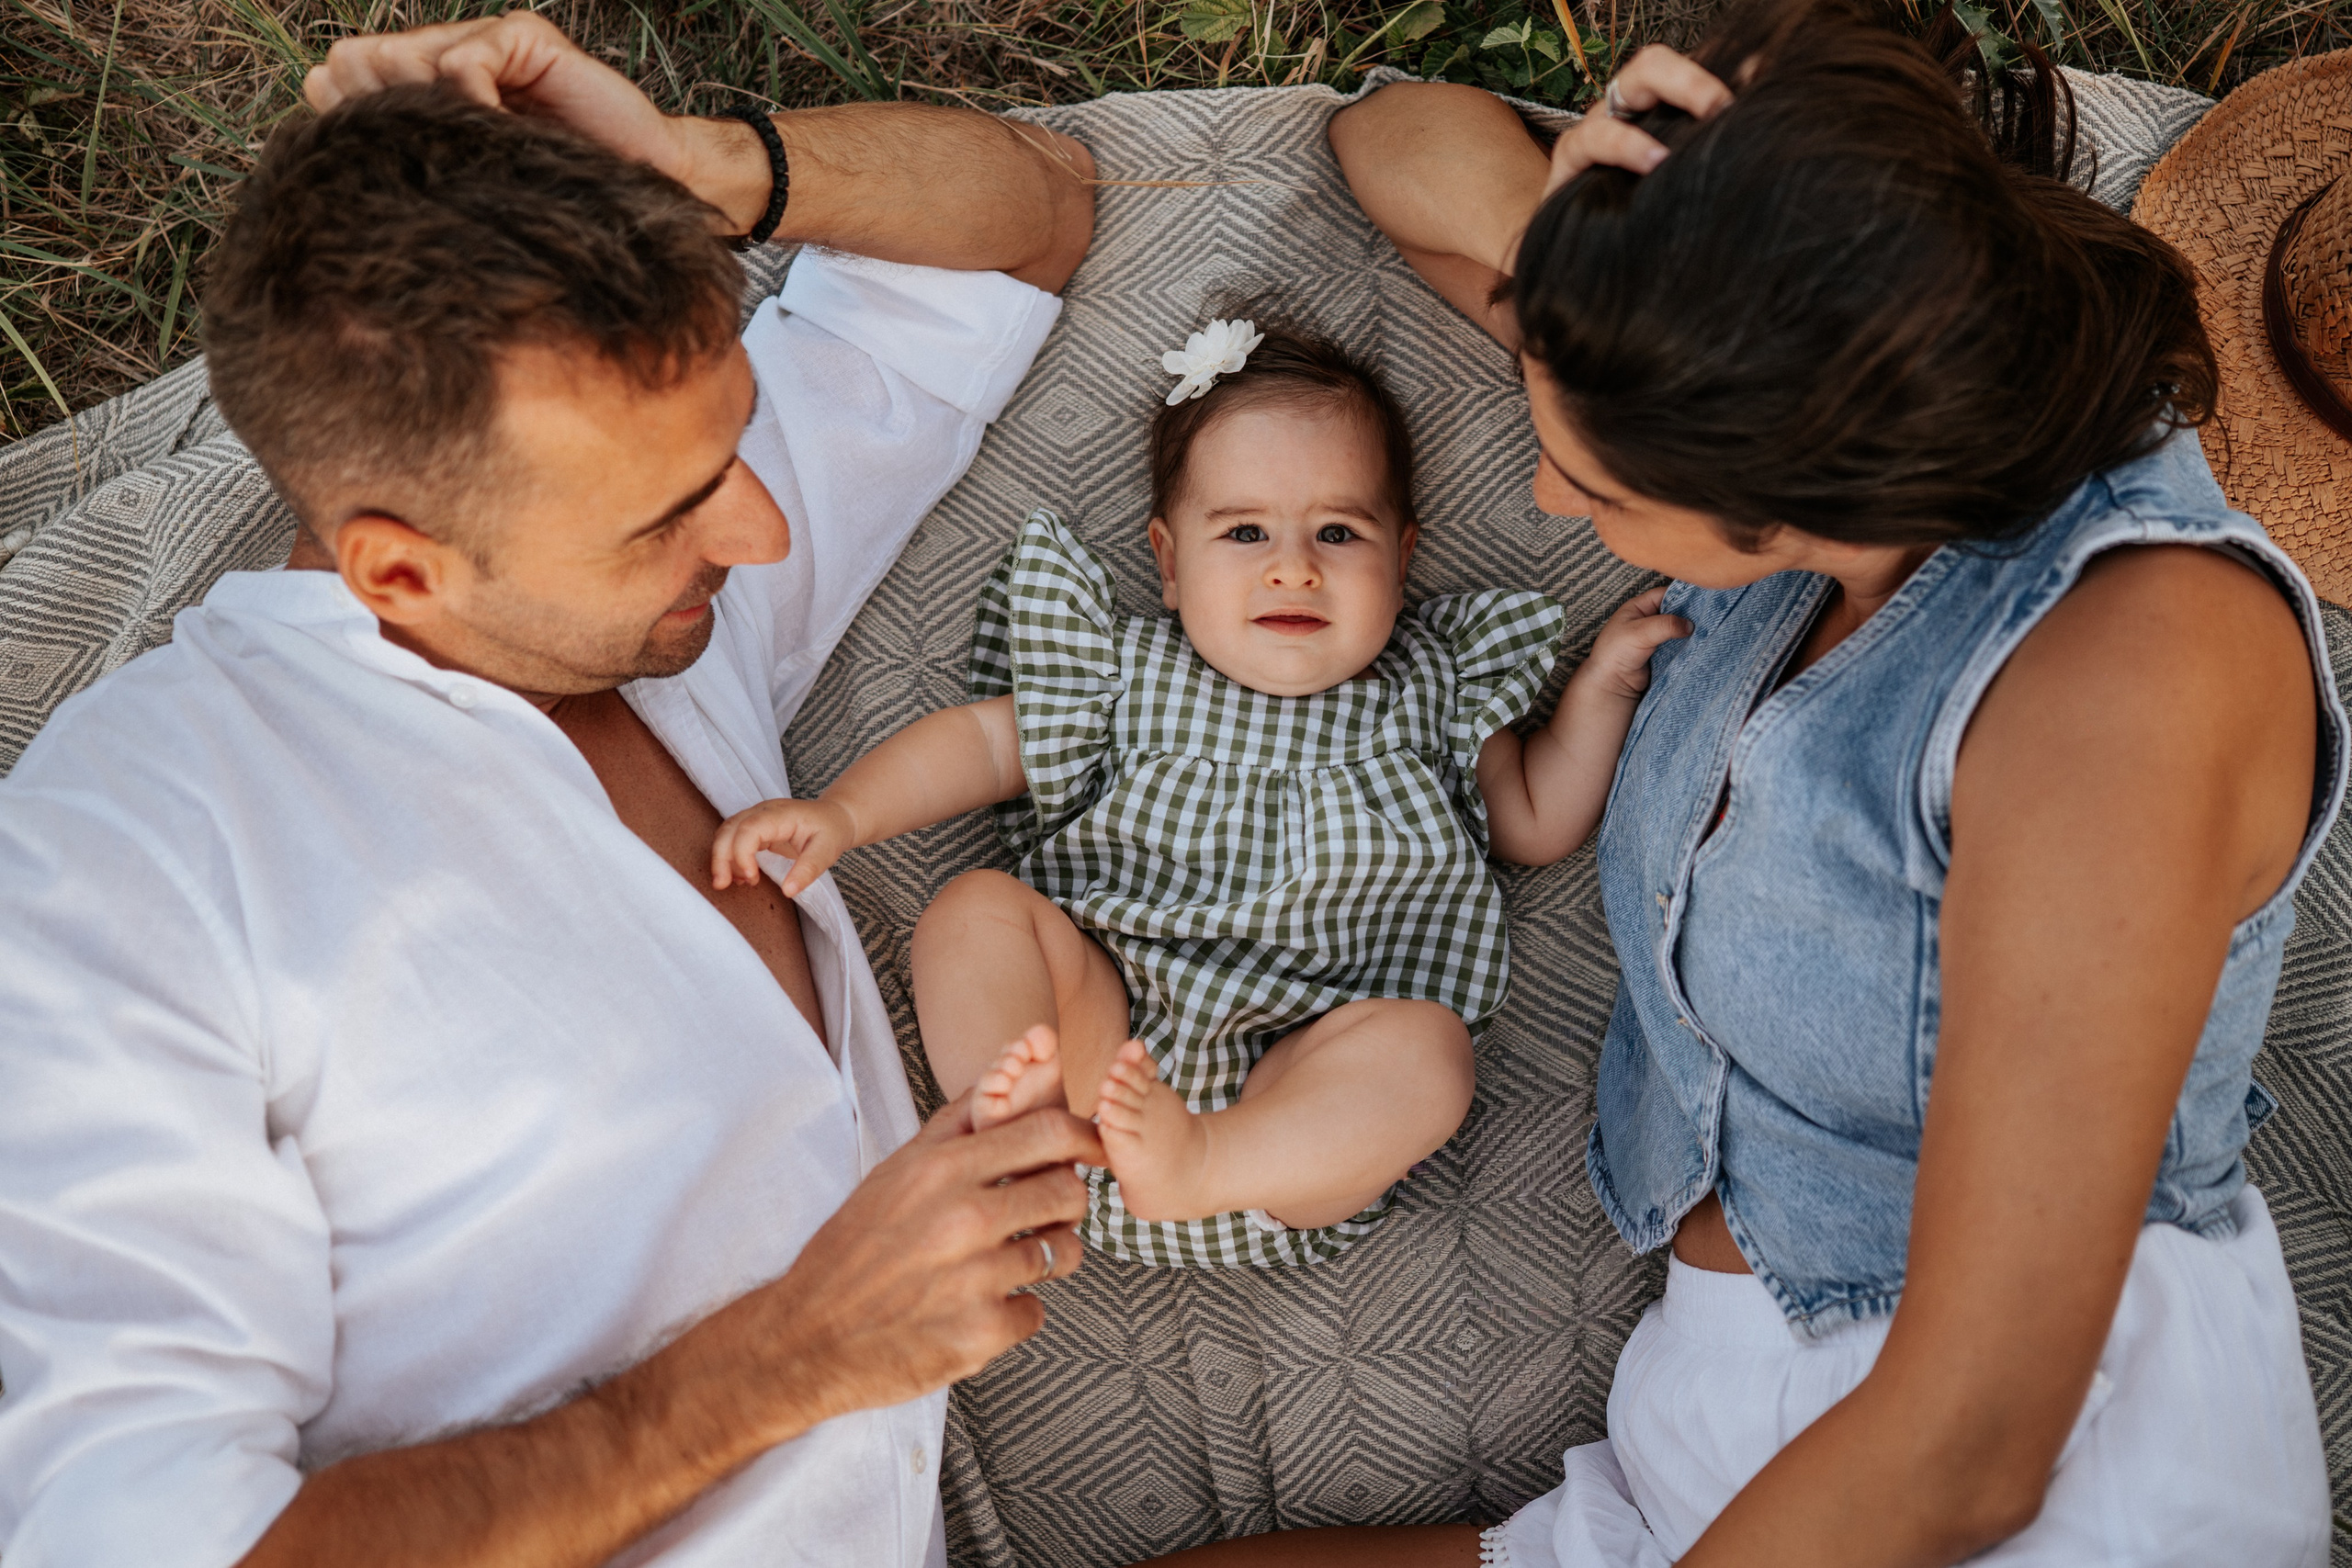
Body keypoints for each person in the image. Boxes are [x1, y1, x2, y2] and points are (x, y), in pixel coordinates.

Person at [1149, 0, 2347, 1562]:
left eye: (1596, 485)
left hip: (2022, 1483)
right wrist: (1598, 238)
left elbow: (1975, 1439)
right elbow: (1391, 139)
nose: (1544, 494)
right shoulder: (1791, 365)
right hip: (1715, 1421)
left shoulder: (2130, 664)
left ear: (1787, 488)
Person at [0, 14, 1103, 1567]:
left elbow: (1036, 211)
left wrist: (700, 167)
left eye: (736, 443)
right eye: (674, 512)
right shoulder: (131, 859)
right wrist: (794, 1353)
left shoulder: (644, 606)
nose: (764, 532)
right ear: (402, 568)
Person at [707, 323, 1686, 1269]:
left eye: (1338, 531)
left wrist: (1601, 691)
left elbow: (1533, 819)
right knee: (972, 912)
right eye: (1245, 531)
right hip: (1105, 1047)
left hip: (1305, 1106)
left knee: (1429, 1052)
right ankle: (1012, 1137)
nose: (1293, 565)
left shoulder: (1437, 686)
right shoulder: (1121, 677)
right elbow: (979, 744)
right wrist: (846, 814)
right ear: (1170, 564)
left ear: (1402, 559)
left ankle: (1206, 1158)